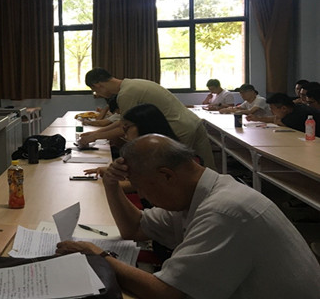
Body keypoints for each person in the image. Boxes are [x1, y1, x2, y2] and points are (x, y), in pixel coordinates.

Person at [56, 134, 320, 299]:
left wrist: (97, 255)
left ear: (166, 176)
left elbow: (167, 294)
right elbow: (134, 228)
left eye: (141, 188)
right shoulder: (199, 193)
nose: (143, 196)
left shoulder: (223, 211)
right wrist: (111, 185)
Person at [84, 68, 216, 171]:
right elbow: (122, 121)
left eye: (94, 90)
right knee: (207, 169)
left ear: (97, 85)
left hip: (178, 128)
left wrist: (94, 137)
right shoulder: (132, 84)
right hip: (193, 122)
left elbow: (124, 127)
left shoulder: (126, 94)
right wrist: (96, 133)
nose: (98, 94)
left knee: (176, 170)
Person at [247, 93, 320, 136]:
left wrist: (277, 120)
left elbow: (278, 121)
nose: (271, 111)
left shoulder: (298, 115)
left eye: (272, 108)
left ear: (284, 108)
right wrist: (257, 118)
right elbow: (275, 119)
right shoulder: (294, 108)